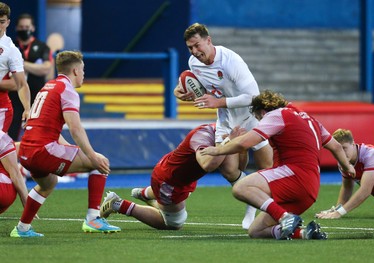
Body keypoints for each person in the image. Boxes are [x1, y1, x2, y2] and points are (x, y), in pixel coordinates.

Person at [200, 90, 355, 240]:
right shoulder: (310, 119)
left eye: (259, 117)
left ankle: (284, 216)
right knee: (256, 230)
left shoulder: (277, 115)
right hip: (311, 188)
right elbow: (336, 146)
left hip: (294, 176)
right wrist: (348, 167)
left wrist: (218, 150)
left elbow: (245, 143)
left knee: (241, 187)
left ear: (261, 112)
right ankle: (305, 233)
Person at [10, 50, 120, 238]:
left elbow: (48, 127)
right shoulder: (67, 90)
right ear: (76, 70)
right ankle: (93, 219)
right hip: (42, 151)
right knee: (100, 163)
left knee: (48, 184)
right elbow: (75, 128)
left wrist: (72, 152)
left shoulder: (49, 86)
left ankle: (22, 228)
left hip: (27, 152)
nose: (84, 74)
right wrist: (92, 157)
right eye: (83, 70)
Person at [173, 23, 274, 229]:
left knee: (267, 168)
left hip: (250, 118)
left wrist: (218, 102)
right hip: (226, 120)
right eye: (190, 48)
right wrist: (179, 93)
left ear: (208, 41)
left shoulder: (231, 61)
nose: (194, 51)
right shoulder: (194, 62)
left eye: (197, 45)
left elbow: (254, 96)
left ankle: (257, 208)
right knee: (228, 169)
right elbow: (189, 84)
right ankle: (251, 200)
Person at [100, 123, 247, 230]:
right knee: (174, 223)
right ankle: (117, 204)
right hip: (169, 180)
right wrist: (229, 142)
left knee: (182, 196)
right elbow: (207, 164)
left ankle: (145, 193)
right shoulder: (204, 134)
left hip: (179, 174)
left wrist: (240, 146)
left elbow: (236, 169)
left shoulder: (221, 133)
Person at [315, 128, 374, 219]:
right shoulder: (342, 162)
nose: (341, 153)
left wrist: (339, 213)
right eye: (338, 150)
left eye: (344, 148)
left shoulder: (370, 154)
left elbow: (365, 190)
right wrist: (337, 209)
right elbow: (347, 187)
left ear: (353, 144)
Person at [8, 13, 53, 140]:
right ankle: (10, 159)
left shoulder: (42, 47)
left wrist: (21, 63)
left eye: (27, 26)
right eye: (21, 27)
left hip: (37, 96)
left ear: (33, 28)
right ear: (16, 28)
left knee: (38, 133)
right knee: (11, 132)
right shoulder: (10, 47)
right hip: (14, 97)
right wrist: (33, 67)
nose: (24, 29)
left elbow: (45, 68)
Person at [0, 3, 31, 133]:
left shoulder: (11, 50)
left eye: (1, 22)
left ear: (8, 22)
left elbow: (21, 84)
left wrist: (27, 109)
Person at [0, 130, 30, 214]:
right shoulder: (3, 137)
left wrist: (27, 204)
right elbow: (15, 173)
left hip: (4, 189)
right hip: (7, 193)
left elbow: (15, 173)